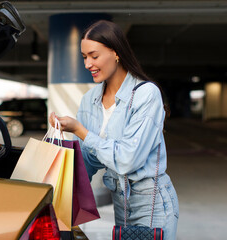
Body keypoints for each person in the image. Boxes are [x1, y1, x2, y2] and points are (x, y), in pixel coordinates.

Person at [49, 20, 179, 239]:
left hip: (153, 205)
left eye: (94, 55)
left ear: (116, 53)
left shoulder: (146, 94)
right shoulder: (90, 99)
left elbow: (128, 159)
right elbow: (88, 161)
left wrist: (80, 130)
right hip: (121, 203)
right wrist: (56, 185)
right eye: (84, 57)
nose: (87, 64)